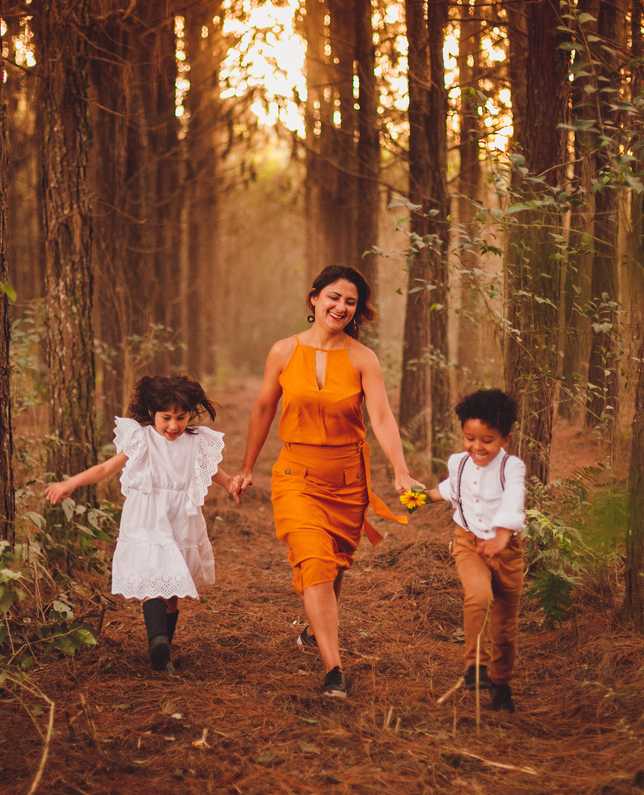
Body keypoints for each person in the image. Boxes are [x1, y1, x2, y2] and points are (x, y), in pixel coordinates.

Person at [229, 265, 422, 698]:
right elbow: (263, 409)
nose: (341, 307)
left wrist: (401, 469)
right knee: (314, 559)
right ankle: (334, 669)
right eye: (333, 297)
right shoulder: (282, 351)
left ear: (357, 310)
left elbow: (382, 417)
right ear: (314, 298)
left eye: (350, 302)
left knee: (333, 564)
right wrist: (246, 468)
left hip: (348, 479)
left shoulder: (361, 358)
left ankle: (316, 631)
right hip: (295, 475)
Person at [45, 375, 236, 672]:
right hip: (147, 515)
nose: (173, 426)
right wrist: (73, 482)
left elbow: (213, 471)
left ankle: (163, 653)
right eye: (166, 418)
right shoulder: (142, 439)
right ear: (152, 415)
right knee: (154, 575)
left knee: (173, 587)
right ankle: (156, 639)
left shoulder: (195, 442)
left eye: (181, 418)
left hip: (181, 518)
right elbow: (107, 467)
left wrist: (229, 485)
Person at [423, 388, 526, 712]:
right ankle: (476, 668)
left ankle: (500, 683)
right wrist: (419, 496)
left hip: (506, 552)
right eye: (470, 438)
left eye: (487, 440)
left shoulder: (511, 468)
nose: (477, 447)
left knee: (505, 629)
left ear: (504, 440)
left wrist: (503, 535)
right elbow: (448, 490)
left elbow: (514, 500)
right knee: (478, 596)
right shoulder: (459, 463)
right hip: (469, 544)